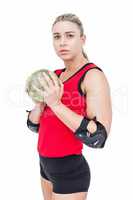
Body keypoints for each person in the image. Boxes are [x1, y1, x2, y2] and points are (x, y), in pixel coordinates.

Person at [26, 13, 112, 200]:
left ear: (83, 39)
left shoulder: (92, 76)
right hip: (45, 166)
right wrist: (40, 106)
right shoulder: (55, 75)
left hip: (70, 170)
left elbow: (98, 137)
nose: (62, 42)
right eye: (57, 37)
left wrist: (56, 104)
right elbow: (35, 126)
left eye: (69, 35)